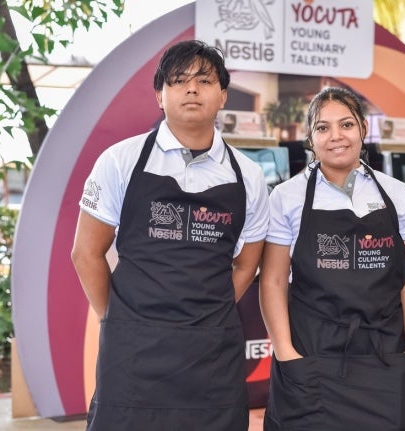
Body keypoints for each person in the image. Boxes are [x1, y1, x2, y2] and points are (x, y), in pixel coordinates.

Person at [70, 40, 269, 431]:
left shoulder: (249, 176)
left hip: (211, 353)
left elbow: (248, 261)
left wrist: (210, 310)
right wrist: (117, 317)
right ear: (160, 95)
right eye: (178, 81)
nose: (192, 89)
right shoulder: (120, 161)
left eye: (204, 80)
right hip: (132, 354)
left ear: (223, 94)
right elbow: (86, 253)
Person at [260, 87, 405, 430]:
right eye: (323, 128)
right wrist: (286, 354)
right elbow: (273, 281)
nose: (336, 136)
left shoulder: (394, 193)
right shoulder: (286, 197)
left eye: (346, 125)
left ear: (363, 129)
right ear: (310, 137)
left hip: (385, 355)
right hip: (312, 357)